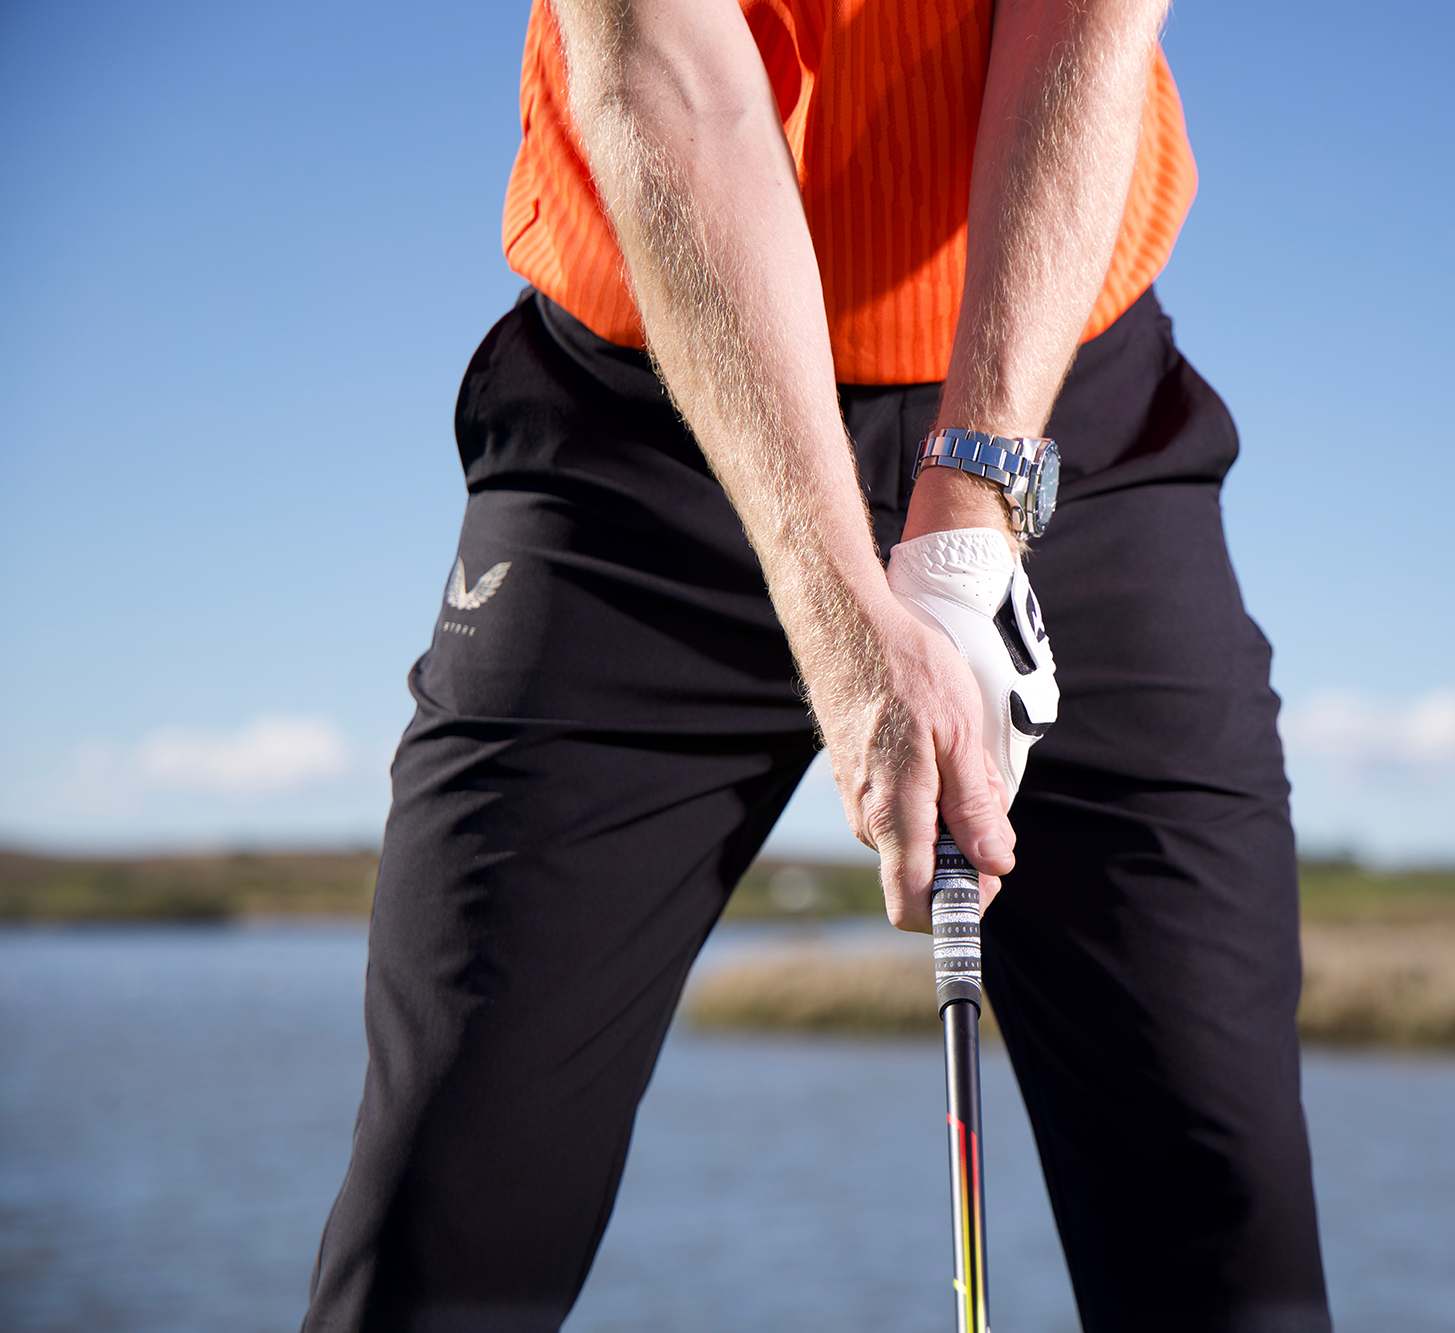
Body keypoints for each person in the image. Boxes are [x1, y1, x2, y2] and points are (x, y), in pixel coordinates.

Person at [303, 0, 1332, 1329]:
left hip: (1068, 413)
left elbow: (1086, 28)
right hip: (647, 433)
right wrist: (839, 606)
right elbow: (676, 82)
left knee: (1227, 1245)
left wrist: (975, 507)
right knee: (438, 1230)